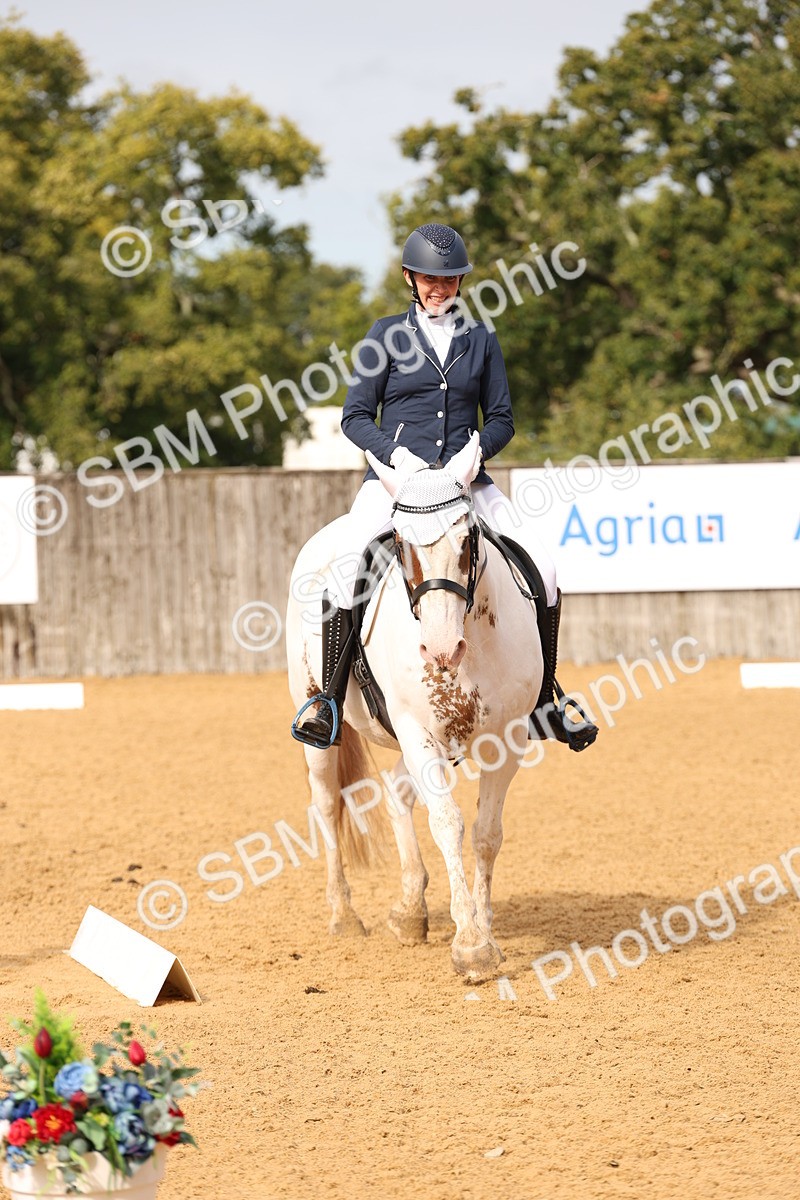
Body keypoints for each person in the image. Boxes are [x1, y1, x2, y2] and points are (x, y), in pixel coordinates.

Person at [292, 222, 598, 753]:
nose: (440, 288)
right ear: (411, 278)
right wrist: (396, 456)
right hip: (394, 484)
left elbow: (502, 417)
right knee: (345, 571)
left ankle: (546, 697)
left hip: (465, 482)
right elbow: (355, 416)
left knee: (543, 566)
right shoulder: (384, 335)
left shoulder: (481, 337)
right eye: (430, 279)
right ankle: (330, 702)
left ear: (460, 282)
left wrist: (475, 451)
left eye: (450, 280)